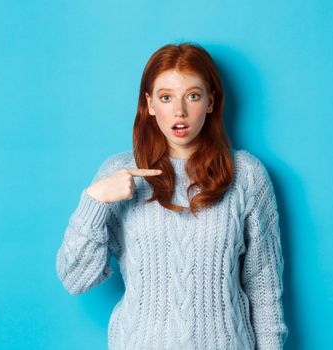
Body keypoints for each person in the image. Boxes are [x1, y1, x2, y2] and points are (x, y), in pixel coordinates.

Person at [55, 42, 289, 349]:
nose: (179, 111)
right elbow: (76, 279)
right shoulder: (119, 173)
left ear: (210, 102)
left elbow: (263, 287)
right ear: (150, 104)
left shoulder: (247, 175)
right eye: (166, 97)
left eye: (192, 95)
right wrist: (94, 201)